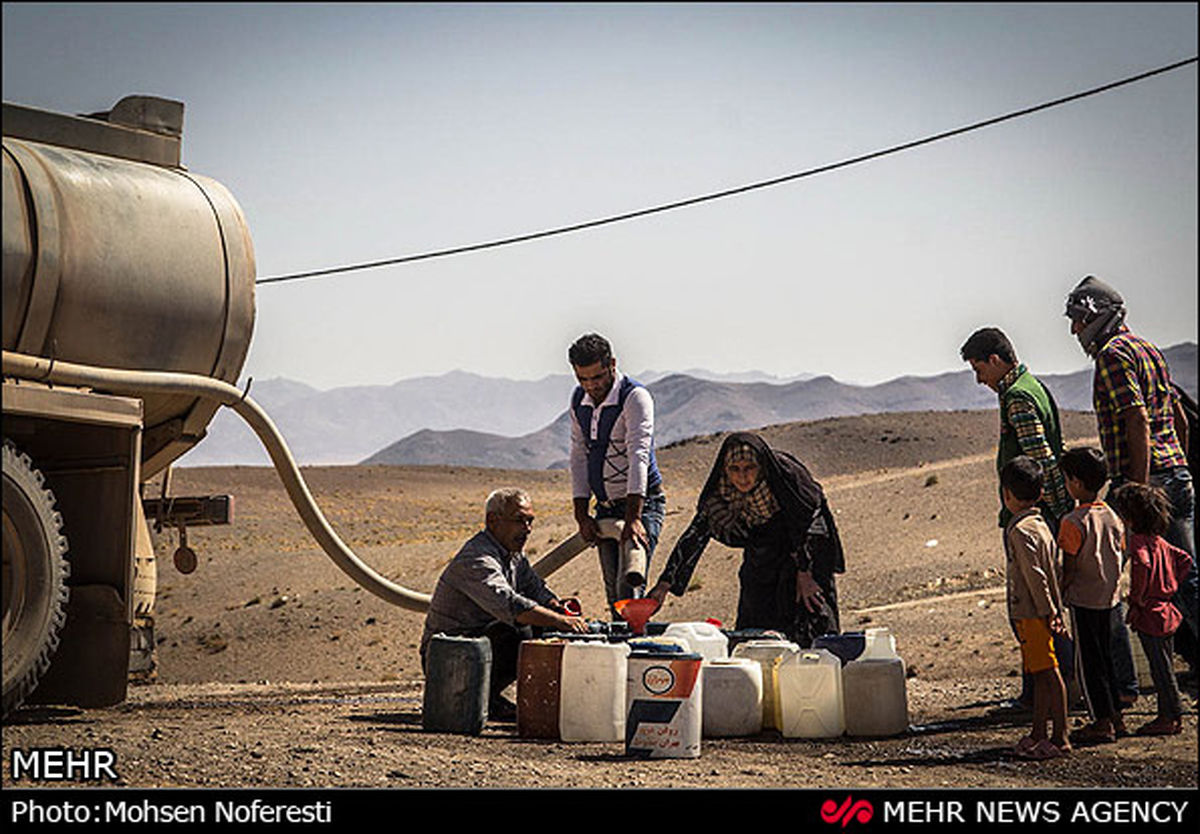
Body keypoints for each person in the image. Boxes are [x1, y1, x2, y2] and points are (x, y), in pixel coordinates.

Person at [1064, 275, 1196, 674]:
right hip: (1175, 472)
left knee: (1103, 584)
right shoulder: (1148, 349)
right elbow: (1178, 419)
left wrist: (1138, 489)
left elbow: (1135, 418)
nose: (1074, 329)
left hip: (1144, 481)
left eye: (1078, 319)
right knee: (1184, 573)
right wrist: (1177, 464)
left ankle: (1121, 685)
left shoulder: (1113, 355)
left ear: (1098, 317)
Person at [960, 327, 1075, 710]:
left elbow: (1041, 458)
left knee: (1030, 607)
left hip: (1033, 518)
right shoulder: (1025, 387)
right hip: (1040, 513)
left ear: (995, 360)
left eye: (980, 370)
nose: (980, 380)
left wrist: (1057, 512)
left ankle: (1045, 694)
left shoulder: (1019, 396)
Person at [646, 432, 845, 647]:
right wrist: (664, 585)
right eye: (735, 469)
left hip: (808, 550)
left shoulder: (785, 475)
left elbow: (810, 520)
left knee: (811, 619)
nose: (743, 477)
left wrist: (805, 572)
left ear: (761, 467)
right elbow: (695, 535)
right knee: (756, 629)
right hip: (763, 553)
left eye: (749, 468)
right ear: (725, 470)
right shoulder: (721, 493)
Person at [420, 488, 589, 721]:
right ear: (493, 521)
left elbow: (534, 588)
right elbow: (510, 605)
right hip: (448, 656)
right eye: (520, 521)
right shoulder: (478, 558)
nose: (527, 529)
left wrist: (555, 606)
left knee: (542, 626)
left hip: (477, 648)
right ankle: (479, 697)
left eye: (530, 521)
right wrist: (561, 621)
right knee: (520, 630)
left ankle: (494, 697)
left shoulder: (513, 554)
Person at [567, 333, 667, 617]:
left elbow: (638, 454)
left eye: (597, 377)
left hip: (641, 505)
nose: (591, 386)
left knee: (629, 587)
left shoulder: (634, 397)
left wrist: (635, 518)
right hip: (606, 509)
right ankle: (620, 654)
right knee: (613, 594)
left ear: (612, 364)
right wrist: (581, 514)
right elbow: (578, 456)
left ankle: (634, 650)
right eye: (582, 379)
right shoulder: (579, 401)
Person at [1000, 456, 1070, 760]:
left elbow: (1035, 576)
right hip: (1044, 610)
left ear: (1007, 495)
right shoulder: (1042, 526)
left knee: (1049, 673)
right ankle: (1039, 732)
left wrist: (1047, 611)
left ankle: (1060, 736)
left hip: (1032, 613)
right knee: (1041, 672)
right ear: (1041, 492)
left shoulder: (1019, 531)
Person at [1057, 447, 1128, 743]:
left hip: (1084, 600)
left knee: (1089, 663)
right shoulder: (1112, 516)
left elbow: (1070, 566)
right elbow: (1121, 553)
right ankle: (1116, 716)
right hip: (1110, 598)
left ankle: (1100, 722)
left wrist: (1060, 592)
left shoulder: (1072, 522)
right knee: (1107, 658)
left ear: (1075, 482)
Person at [1110, 482, 1194, 736]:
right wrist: (1170, 584)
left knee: (1161, 668)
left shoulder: (1139, 544)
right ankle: (1169, 715)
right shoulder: (1160, 541)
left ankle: (1170, 715)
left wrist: (1139, 597)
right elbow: (1185, 559)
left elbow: (1143, 566)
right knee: (1164, 662)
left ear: (1130, 518)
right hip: (1167, 610)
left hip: (1151, 613)